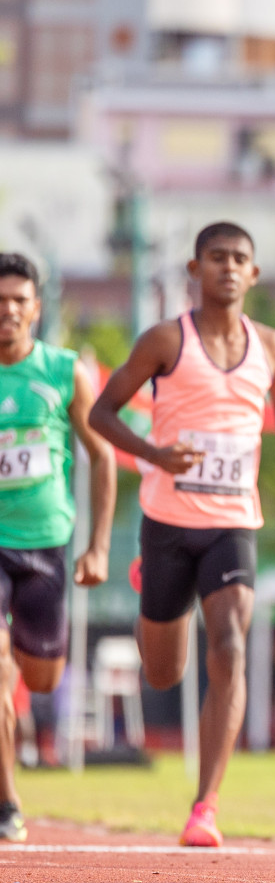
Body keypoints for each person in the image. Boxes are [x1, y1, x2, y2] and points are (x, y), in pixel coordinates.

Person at [90, 222, 275, 847]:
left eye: (239, 258)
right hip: (168, 523)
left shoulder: (271, 344)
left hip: (232, 523)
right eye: (216, 257)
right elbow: (101, 413)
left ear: (254, 274)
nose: (227, 267)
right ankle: (150, 590)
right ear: (195, 268)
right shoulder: (165, 340)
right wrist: (155, 456)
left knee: (232, 643)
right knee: (162, 672)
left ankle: (205, 806)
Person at [0, 252, 116, 842]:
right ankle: (7, 801)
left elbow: (102, 454)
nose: (9, 311)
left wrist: (97, 547)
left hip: (46, 542)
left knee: (40, 679)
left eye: (19, 301)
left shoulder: (64, 370)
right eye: (0, 301)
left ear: (36, 309)